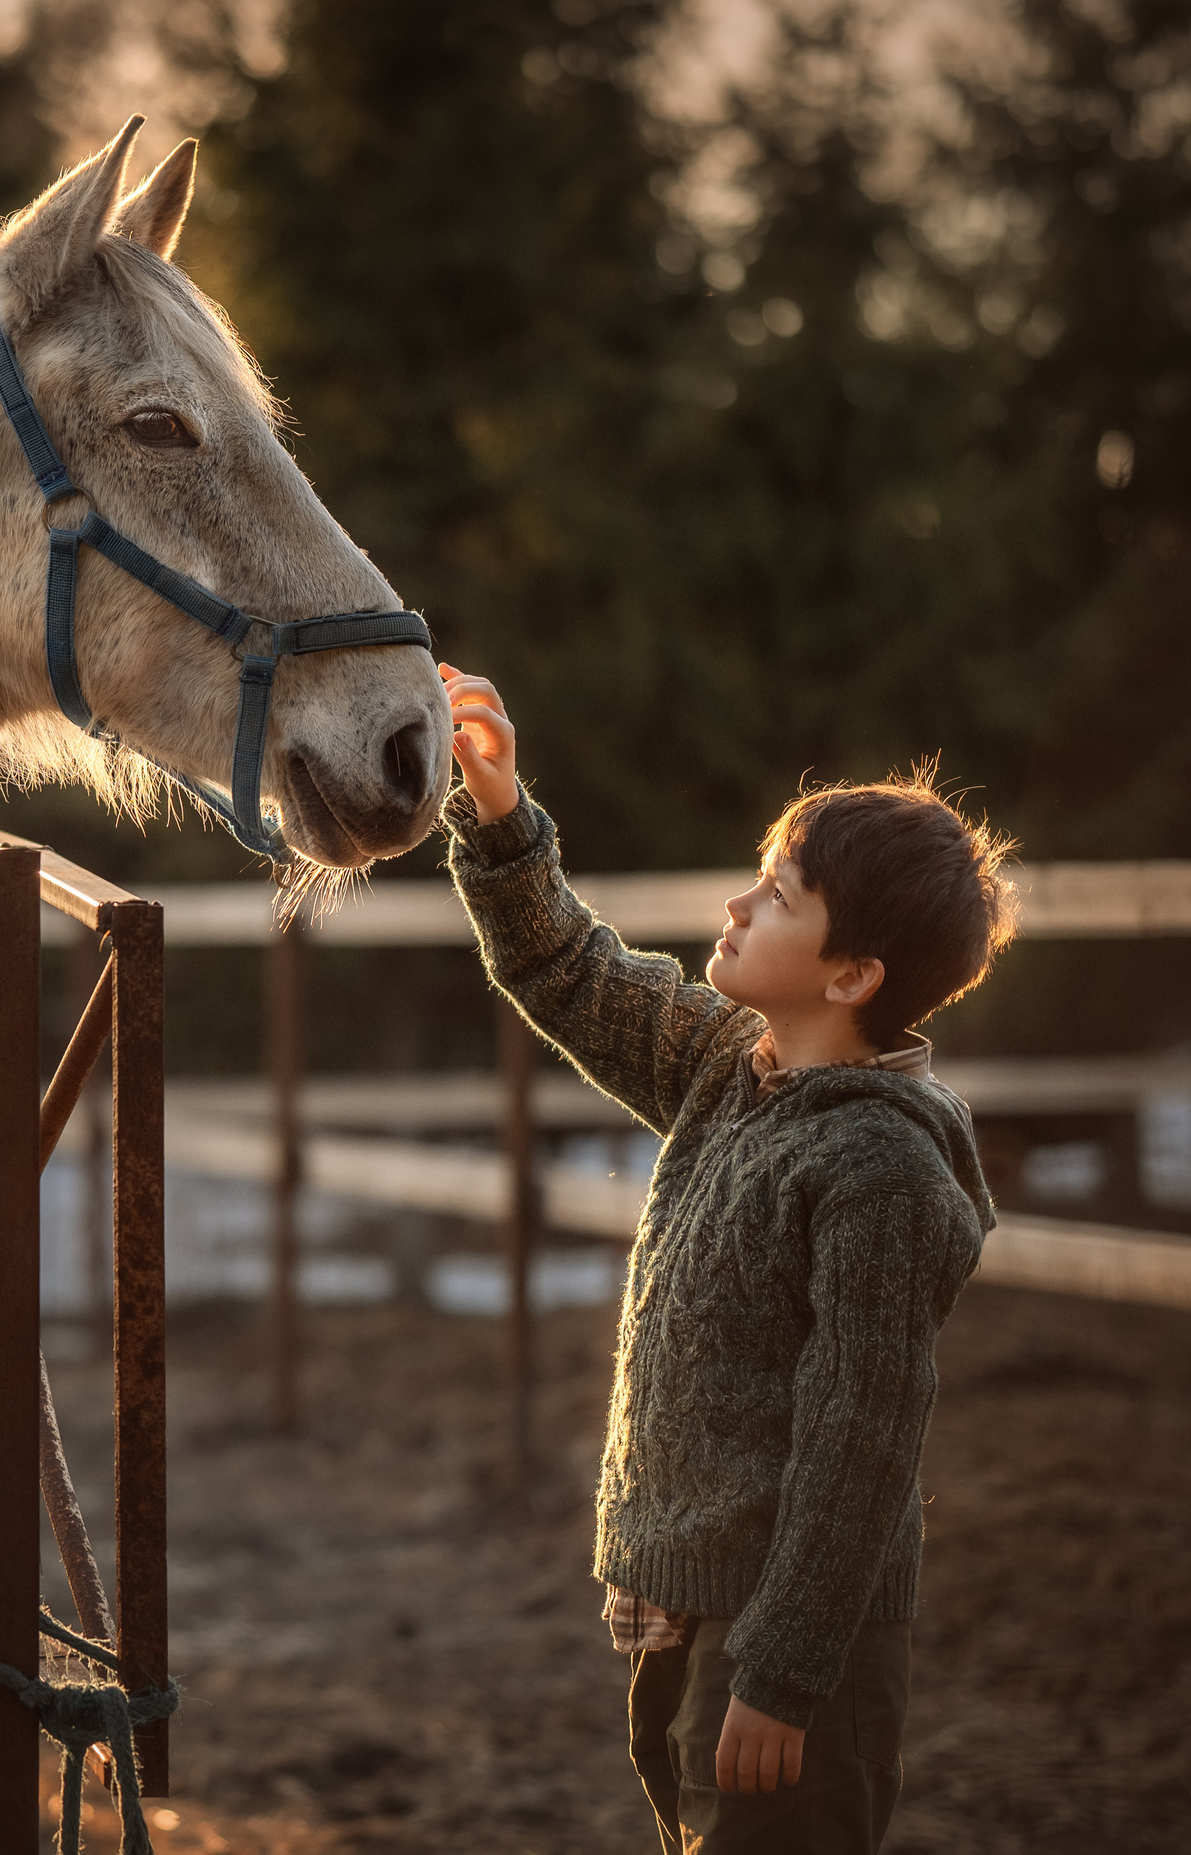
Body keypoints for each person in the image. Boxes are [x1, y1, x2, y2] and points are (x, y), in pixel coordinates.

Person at [436, 663, 1016, 1853]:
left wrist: (784, 1672)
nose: (739, 905)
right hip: (682, 1609)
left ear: (850, 975)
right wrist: (497, 811)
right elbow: (567, 970)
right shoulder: (728, 1063)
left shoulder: (879, 1169)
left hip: (789, 1641)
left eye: (779, 896)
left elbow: (861, 1440)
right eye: (758, 875)